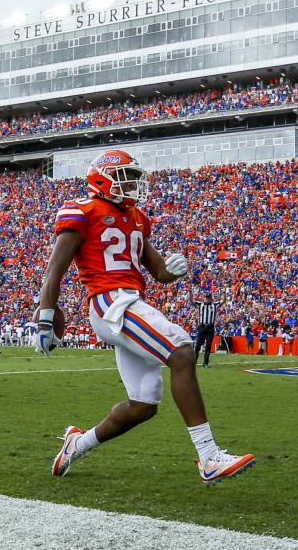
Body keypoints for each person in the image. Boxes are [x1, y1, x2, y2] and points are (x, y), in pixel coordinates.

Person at [35, 149, 254, 486]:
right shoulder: (83, 210)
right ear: (102, 178)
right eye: (126, 177)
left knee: (144, 404)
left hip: (128, 300)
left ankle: (77, 444)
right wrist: (47, 312)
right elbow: (55, 268)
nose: (134, 184)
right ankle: (209, 456)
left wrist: (172, 270)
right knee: (182, 351)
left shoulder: (136, 217)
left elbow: (157, 271)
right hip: (110, 303)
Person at [188, 286, 225, 368]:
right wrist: (190, 292)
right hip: (201, 327)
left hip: (210, 328)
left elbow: (223, 301)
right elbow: (191, 301)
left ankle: (205, 363)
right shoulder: (200, 305)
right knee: (197, 345)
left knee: (208, 346)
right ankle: (194, 361)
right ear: (204, 298)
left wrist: (224, 293)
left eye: (208, 298)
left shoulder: (214, 305)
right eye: (206, 298)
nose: (207, 299)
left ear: (211, 299)